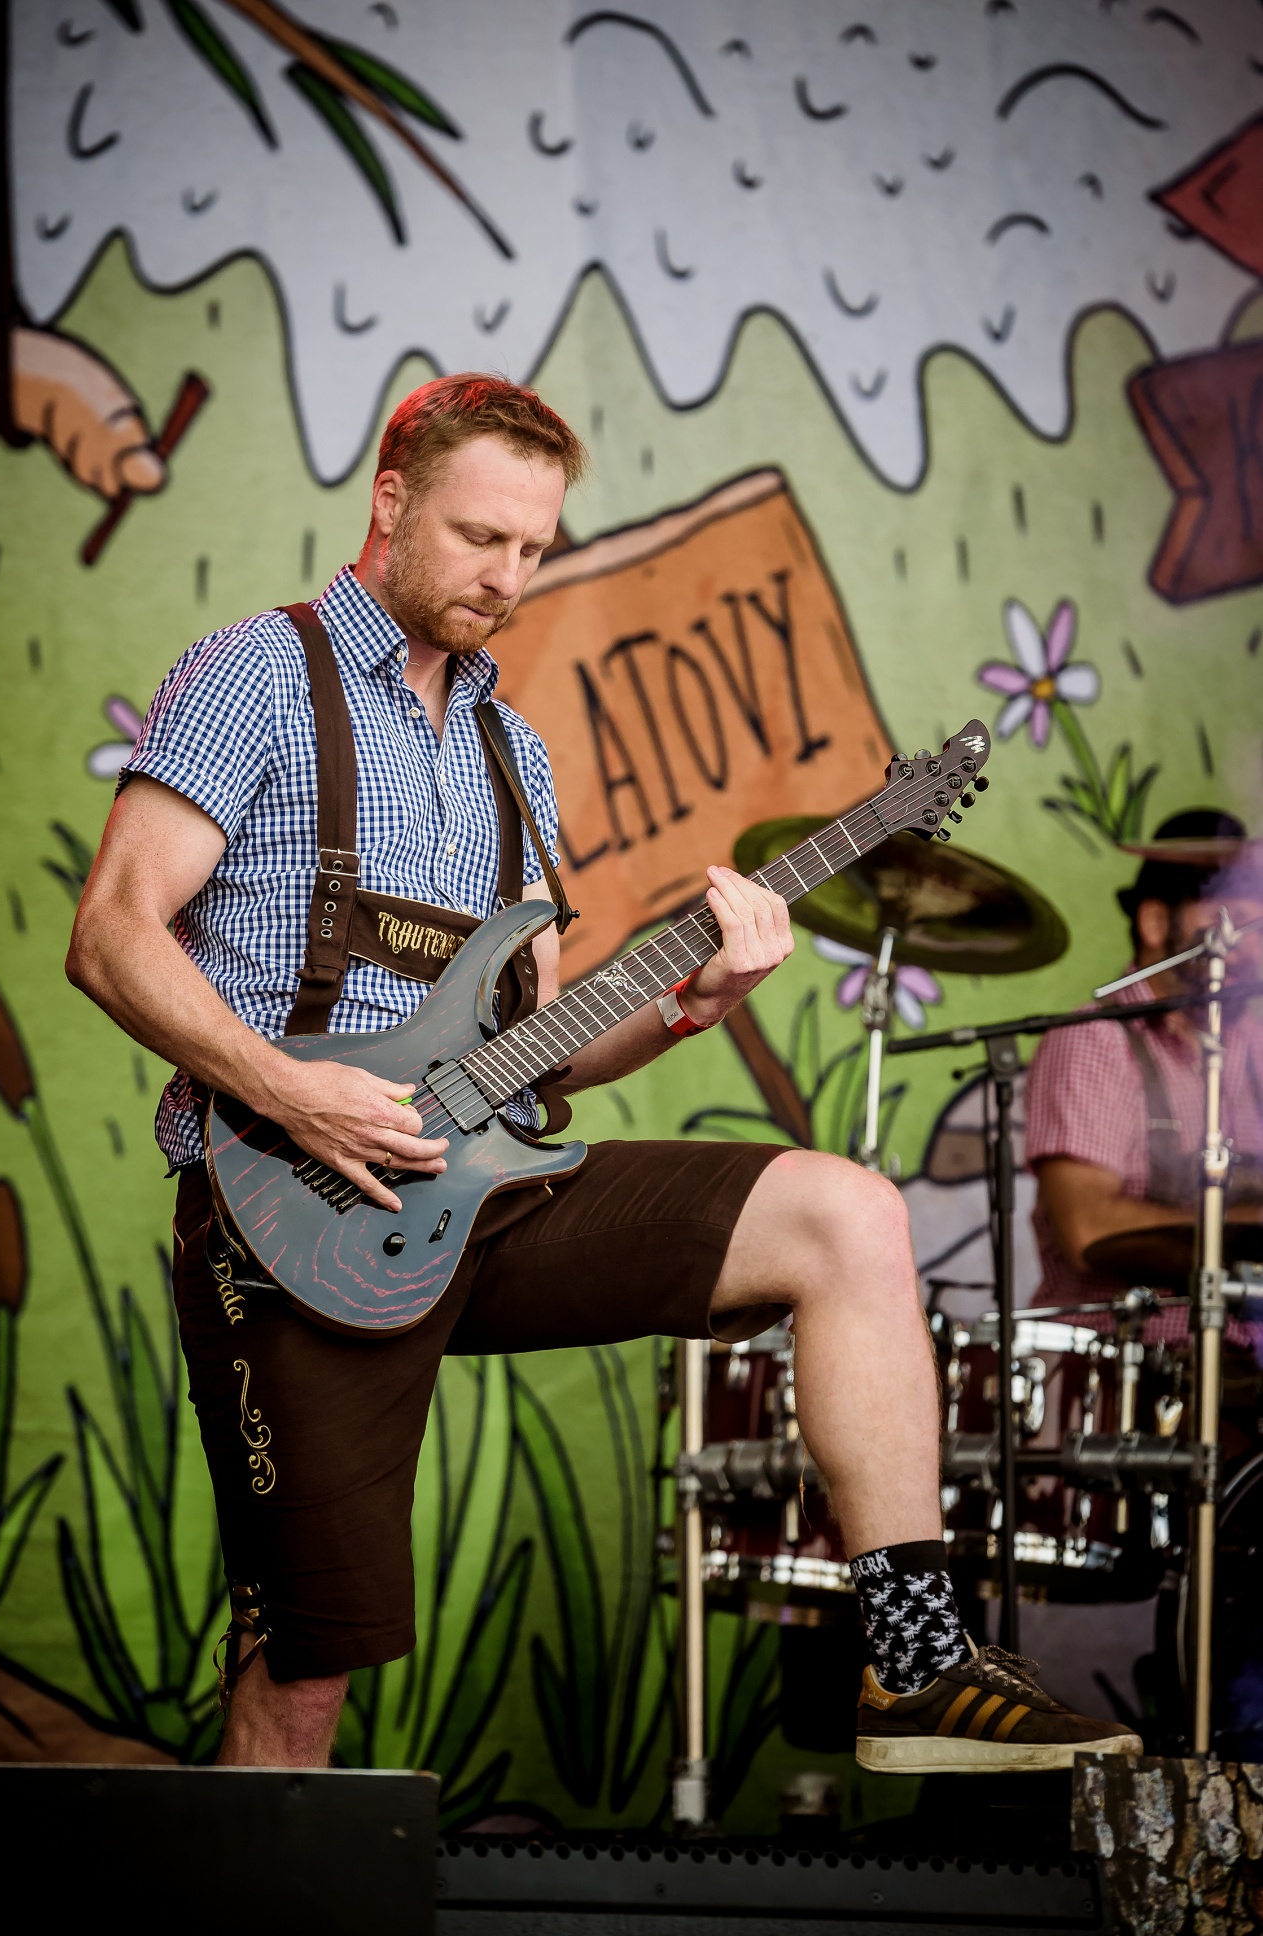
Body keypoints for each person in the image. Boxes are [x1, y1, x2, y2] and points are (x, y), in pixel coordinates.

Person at [67, 373, 1137, 1777]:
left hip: (484, 1195)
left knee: (845, 1214)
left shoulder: (514, 753)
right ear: (389, 503)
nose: (507, 575)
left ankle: (914, 1662)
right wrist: (287, 1087)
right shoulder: (255, 674)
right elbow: (112, 933)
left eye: (532, 547)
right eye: (479, 537)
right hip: (287, 1217)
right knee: (303, 1669)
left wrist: (697, 1000)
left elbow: (544, 1047)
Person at [1027, 809, 1263, 1343]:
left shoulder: (1253, 1043)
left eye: (1258, 928)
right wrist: (1245, 1226)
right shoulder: (1095, 1039)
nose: (1250, 949)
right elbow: (1088, 1227)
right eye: (1233, 923)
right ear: (1155, 923)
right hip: (1125, 1360)